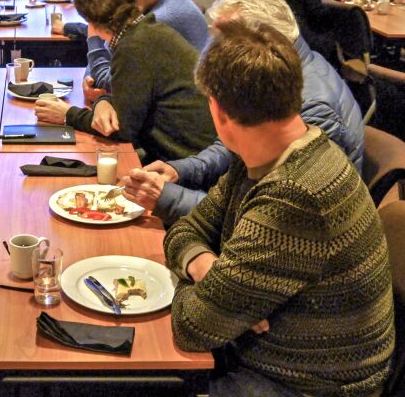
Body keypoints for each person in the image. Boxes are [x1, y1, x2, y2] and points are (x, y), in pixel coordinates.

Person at [163, 24, 393, 396]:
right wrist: (205, 268)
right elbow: (187, 228)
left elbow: (192, 326)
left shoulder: (295, 197)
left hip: (304, 383)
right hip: (269, 357)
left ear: (218, 111)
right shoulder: (263, 155)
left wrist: (219, 297)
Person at [121, 0, 364, 226]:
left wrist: (169, 199)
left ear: (261, 43)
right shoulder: (280, 75)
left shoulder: (311, 107)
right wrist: (183, 170)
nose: (213, 52)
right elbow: (235, 149)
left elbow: (266, 215)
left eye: (223, 42)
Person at [35, 0, 215, 164]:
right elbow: (129, 92)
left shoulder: (134, 47)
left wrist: (68, 114)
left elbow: (122, 130)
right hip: (193, 151)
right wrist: (103, 100)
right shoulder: (147, 30)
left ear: (90, 20)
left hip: (183, 161)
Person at [84, 0, 210, 103]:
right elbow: (107, 66)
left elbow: (114, 83)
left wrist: (94, 38)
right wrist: (92, 78)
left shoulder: (160, 21)